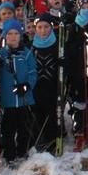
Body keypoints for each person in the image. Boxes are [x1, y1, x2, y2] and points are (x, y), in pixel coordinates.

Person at [0, 19, 38, 162]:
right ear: (5, 36)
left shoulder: (26, 53)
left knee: (24, 128)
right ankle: (9, 155)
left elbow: (33, 72)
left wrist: (26, 85)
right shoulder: (0, 54)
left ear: (21, 36)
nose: (13, 37)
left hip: (24, 99)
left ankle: (22, 151)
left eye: (16, 33)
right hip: (7, 100)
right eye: (9, 34)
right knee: (8, 129)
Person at [29, 16, 63, 154]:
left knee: (52, 114)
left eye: (46, 27)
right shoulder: (31, 46)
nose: (43, 30)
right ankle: (40, 142)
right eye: (39, 27)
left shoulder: (57, 45)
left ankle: (52, 142)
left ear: (51, 28)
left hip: (53, 87)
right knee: (38, 115)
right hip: (36, 88)